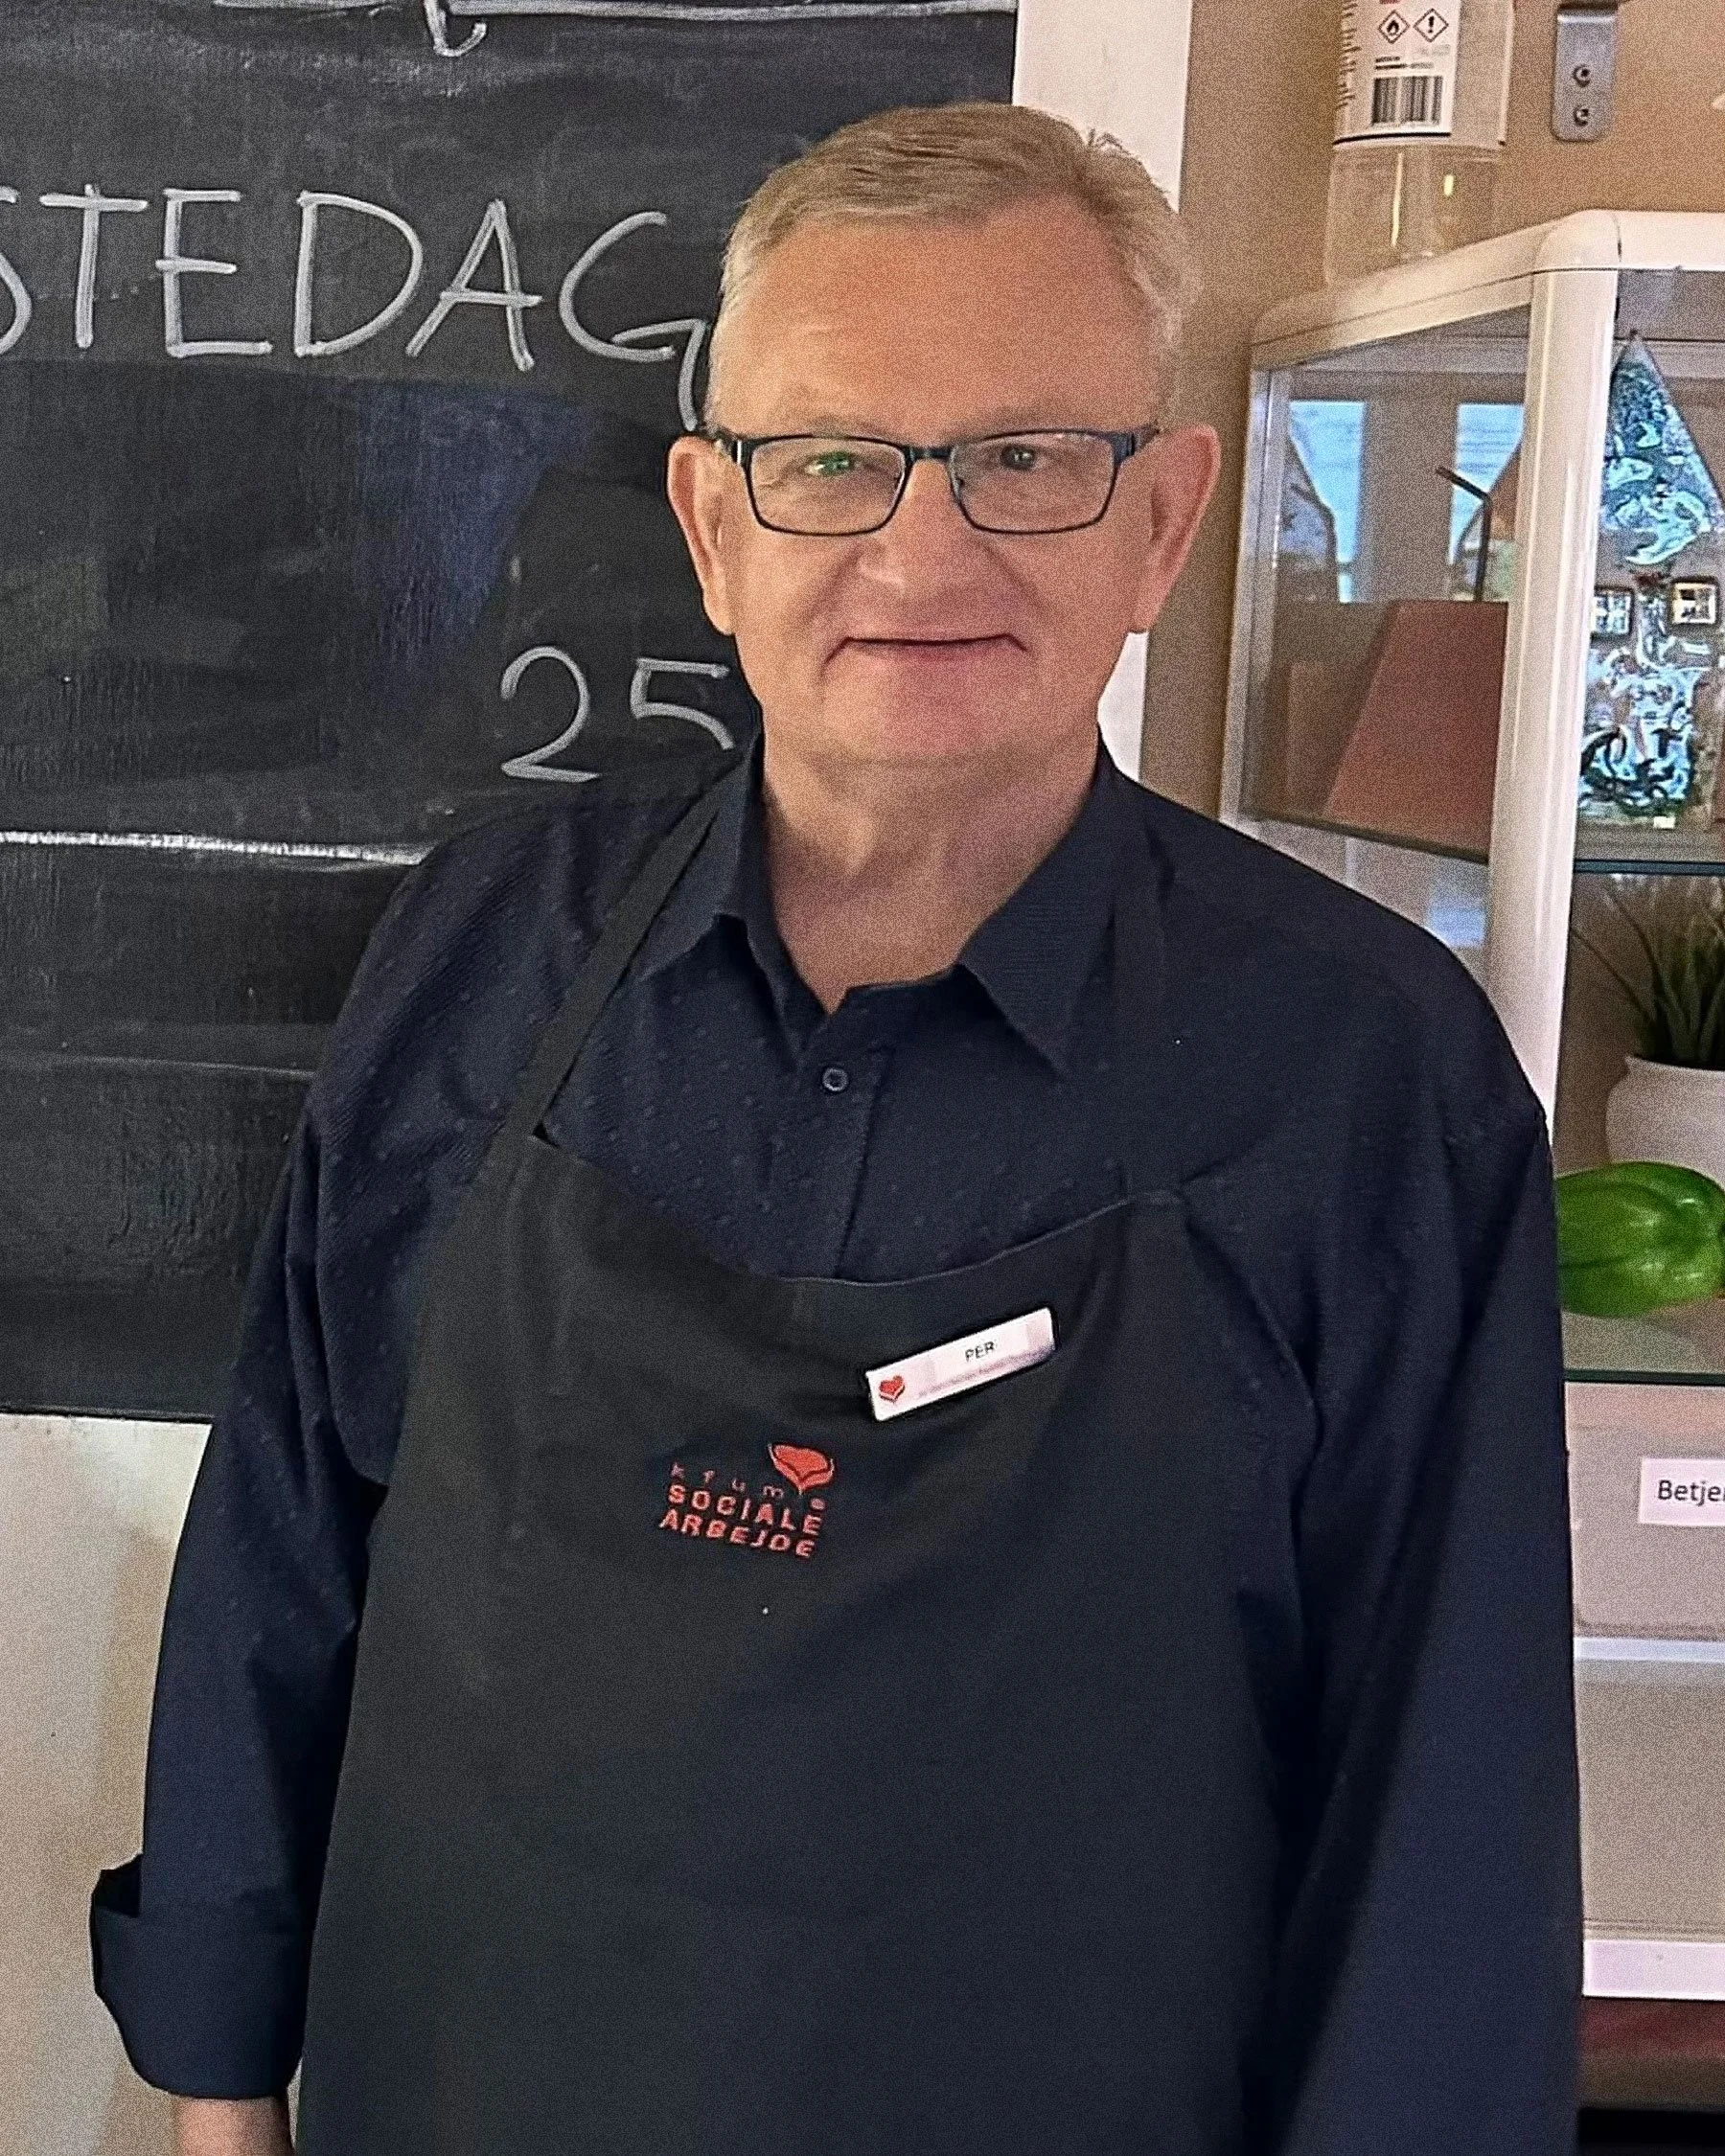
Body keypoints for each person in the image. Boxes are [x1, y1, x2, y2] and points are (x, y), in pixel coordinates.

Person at [91, 100, 1580, 2156]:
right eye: (831, 463)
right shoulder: (488, 957)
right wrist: (212, 2084)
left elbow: (1445, 1813)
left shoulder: (1365, 1075)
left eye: (1026, 461)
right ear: (713, 528)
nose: (919, 550)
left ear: (1165, 519)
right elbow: (286, 1553)